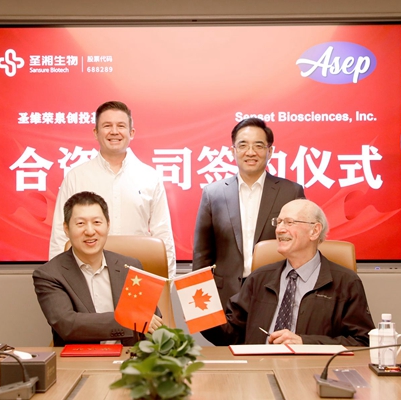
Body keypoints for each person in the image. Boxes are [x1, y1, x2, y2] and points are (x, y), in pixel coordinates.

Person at [201, 199, 374, 346]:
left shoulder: (346, 282)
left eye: (289, 223)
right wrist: (201, 314)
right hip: (259, 369)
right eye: (279, 222)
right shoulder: (259, 278)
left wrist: (305, 343)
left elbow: (362, 341)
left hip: (312, 370)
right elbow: (231, 333)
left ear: (315, 231)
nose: (279, 229)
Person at [49, 101, 176, 278]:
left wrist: (165, 282)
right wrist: (58, 281)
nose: (114, 132)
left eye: (121, 126)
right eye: (107, 126)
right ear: (96, 132)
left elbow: (163, 235)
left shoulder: (150, 177)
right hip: (86, 276)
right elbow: (60, 235)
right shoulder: (76, 177)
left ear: (131, 133)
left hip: (137, 277)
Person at [193, 118, 305, 308]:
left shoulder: (291, 192)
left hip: (276, 291)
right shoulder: (213, 194)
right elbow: (202, 255)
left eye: (258, 146)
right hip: (225, 295)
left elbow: (302, 247)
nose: (251, 152)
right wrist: (197, 303)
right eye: (243, 145)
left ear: (270, 151)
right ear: (233, 151)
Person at [34, 191, 162, 346]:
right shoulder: (50, 274)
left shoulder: (130, 267)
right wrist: (130, 319)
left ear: (108, 225)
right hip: (81, 358)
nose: (90, 231)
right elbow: (67, 325)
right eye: (80, 224)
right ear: (66, 229)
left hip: (129, 356)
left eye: (96, 222)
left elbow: (152, 321)